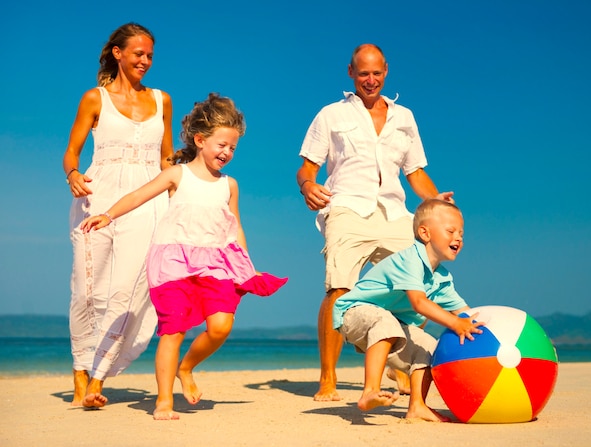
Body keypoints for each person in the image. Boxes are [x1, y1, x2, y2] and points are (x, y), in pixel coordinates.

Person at [80, 93, 288, 420]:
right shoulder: (177, 175)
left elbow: (235, 227)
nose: (227, 153)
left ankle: (186, 367)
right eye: (221, 145)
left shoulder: (229, 185)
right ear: (200, 139)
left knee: (221, 326)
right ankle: (164, 401)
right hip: (172, 262)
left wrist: (246, 265)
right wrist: (107, 215)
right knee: (173, 328)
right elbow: (137, 196)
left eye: (233, 148)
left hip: (215, 263)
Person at [296, 43, 454, 401]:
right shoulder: (330, 115)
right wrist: (307, 186)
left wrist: (434, 202)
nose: (370, 80)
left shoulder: (405, 117)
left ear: (386, 72)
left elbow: (415, 173)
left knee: (417, 288)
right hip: (347, 208)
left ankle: (401, 361)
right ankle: (328, 378)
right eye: (363, 73)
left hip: (396, 213)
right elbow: (307, 166)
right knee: (340, 289)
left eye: (376, 73)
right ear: (350, 73)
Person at [62, 23, 173, 408]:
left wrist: (182, 198)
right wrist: (73, 175)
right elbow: (71, 153)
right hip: (97, 198)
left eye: (150, 55)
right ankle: (79, 372)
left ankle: (97, 379)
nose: (145, 61)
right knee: (86, 290)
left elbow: (166, 159)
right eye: (138, 53)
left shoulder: (162, 100)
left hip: (147, 202)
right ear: (118, 53)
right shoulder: (95, 99)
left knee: (128, 292)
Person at [333, 199, 483, 421]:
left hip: (392, 324)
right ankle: (370, 390)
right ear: (425, 233)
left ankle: (417, 406)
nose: (458, 237)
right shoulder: (410, 260)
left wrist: (490, 330)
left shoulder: (441, 279)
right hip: (354, 312)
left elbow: (467, 314)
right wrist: (455, 324)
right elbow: (419, 303)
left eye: (461, 233)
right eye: (450, 231)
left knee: (430, 347)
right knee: (385, 321)